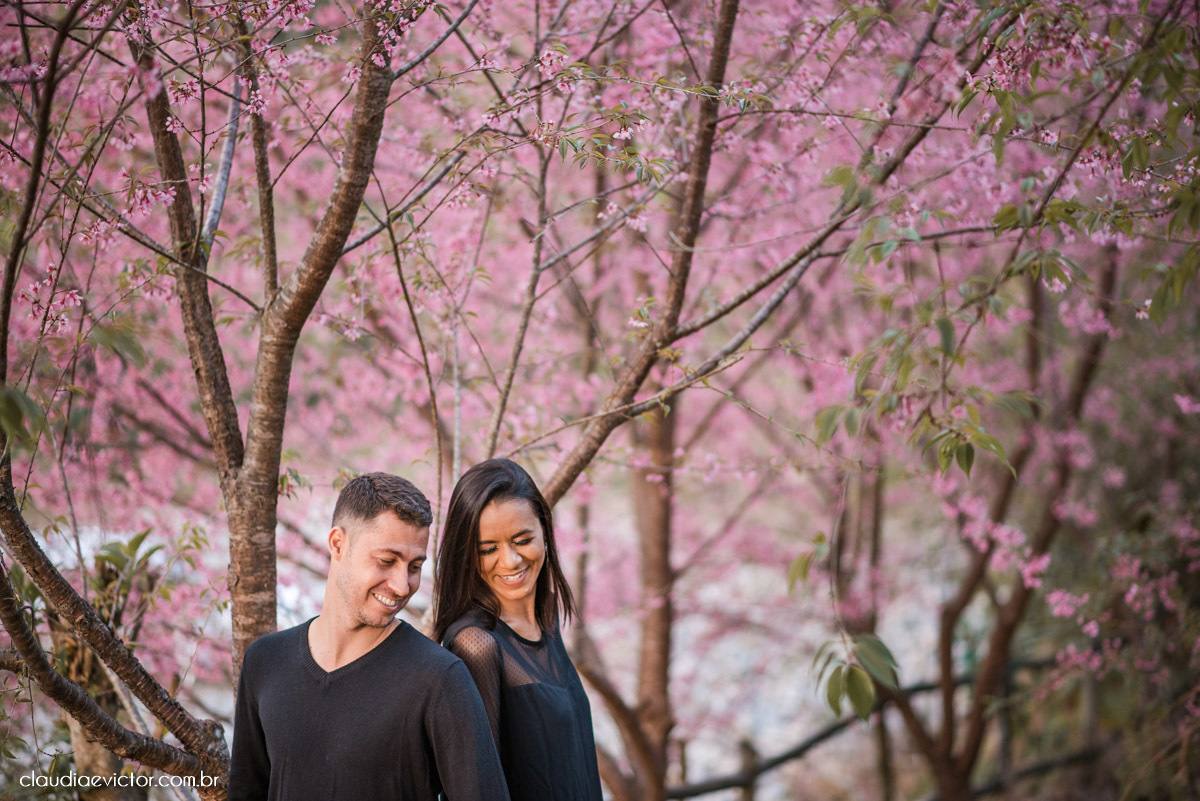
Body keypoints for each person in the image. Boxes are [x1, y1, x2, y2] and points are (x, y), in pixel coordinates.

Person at [228, 472, 510, 801]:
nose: (402, 586)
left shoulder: (439, 679)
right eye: (386, 561)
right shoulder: (265, 661)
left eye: (415, 566)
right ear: (338, 544)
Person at [433, 459, 603, 801]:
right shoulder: (475, 644)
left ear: (544, 531)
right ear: (467, 555)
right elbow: (479, 790)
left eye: (522, 539)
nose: (510, 561)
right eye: (488, 549)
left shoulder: (548, 614)